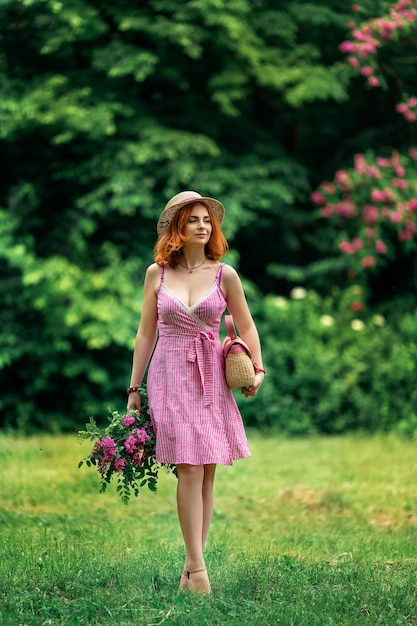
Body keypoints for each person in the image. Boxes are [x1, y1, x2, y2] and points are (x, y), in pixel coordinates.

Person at [127, 191, 265, 595]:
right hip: (168, 375)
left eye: (207, 220)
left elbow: (248, 326)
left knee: (206, 471)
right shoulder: (157, 274)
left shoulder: (226, 275)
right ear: (177, 228)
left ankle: (191, 569)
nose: (203, 226)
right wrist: (134, 387)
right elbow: (146, 332)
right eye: (194, 220)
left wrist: (258, 369)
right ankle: (199, 572)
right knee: (187, 467)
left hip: (210, 379)